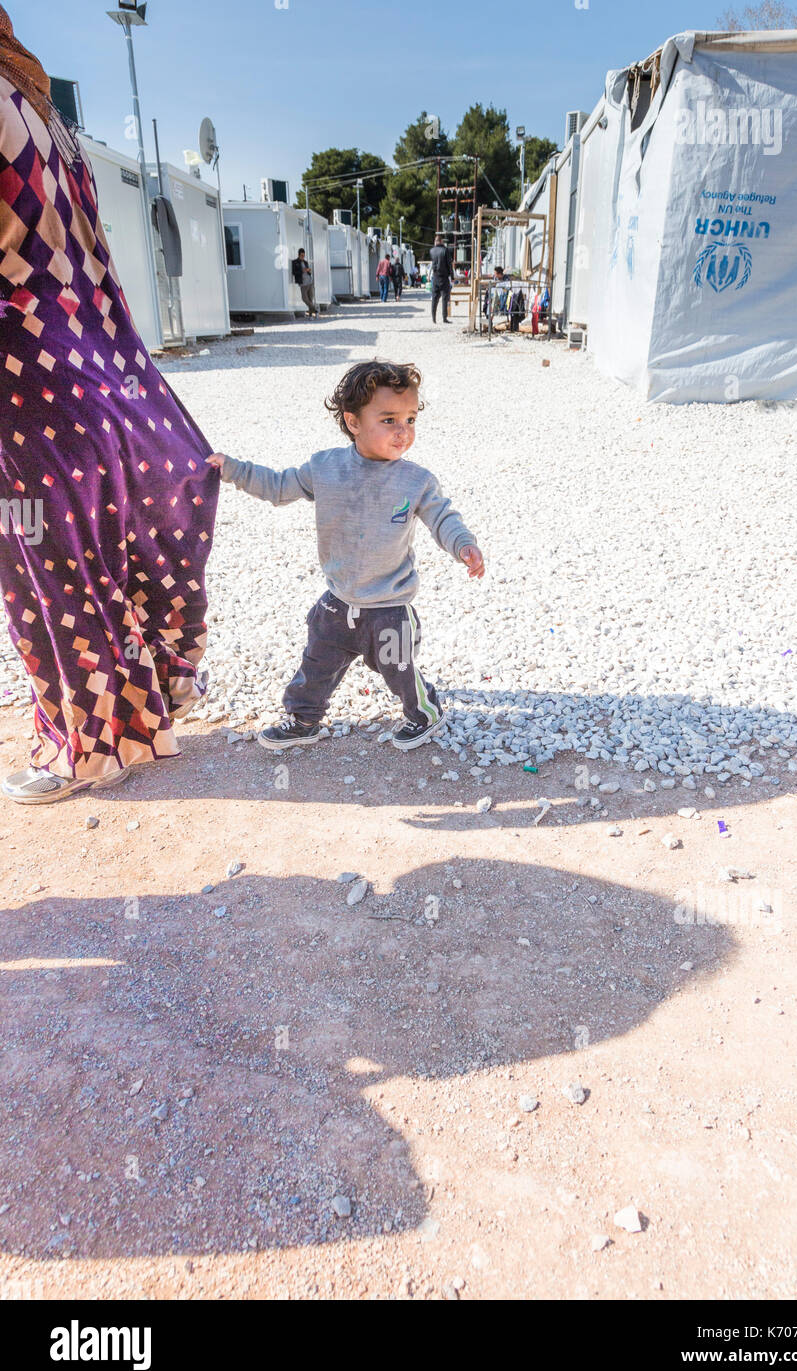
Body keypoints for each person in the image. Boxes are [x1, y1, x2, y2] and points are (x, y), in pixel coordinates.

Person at [0, 5, 218, 805]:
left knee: (46, 574)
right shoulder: (39, 110)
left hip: (19, 385)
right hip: (94, 372)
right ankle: (150, 701)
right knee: (100, 552)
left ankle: (83, 751)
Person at [206, 360, 485, 751]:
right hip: (337, 602)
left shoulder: (416, 480)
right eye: (388, 419)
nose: (403, 431)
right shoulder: (325, 467)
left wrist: (463, 544)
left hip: (389, 606)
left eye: (409, 418)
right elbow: (278, 486)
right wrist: (232, 469)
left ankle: (425, 711)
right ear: (353, 422)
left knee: (398, 668)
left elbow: (442, 516)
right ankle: (304, 719)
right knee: (316, 663)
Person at [429, 234, 452, 324]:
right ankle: (444, 318)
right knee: (444, 298)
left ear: (435, 241)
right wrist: (452, 275)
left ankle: (433, 318)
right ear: (441, 241)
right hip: (444, 277)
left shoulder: (431, 251)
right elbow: (449, 264)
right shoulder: (445, 250)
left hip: (435, 277)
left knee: (434, 298)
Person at [291, 247, 316, 317]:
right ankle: (314, 309)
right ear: (298, 255)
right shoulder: (295, 262)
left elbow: (308, 272)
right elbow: (294, 272)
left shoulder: (305, 262)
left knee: (310, 298)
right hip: (303, 283)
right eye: (302, 255)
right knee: (304, 299)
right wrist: (302, 271)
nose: (303, 257)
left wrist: (309, 271)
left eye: (304, 255)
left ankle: (311, 315)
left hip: (310, 282)